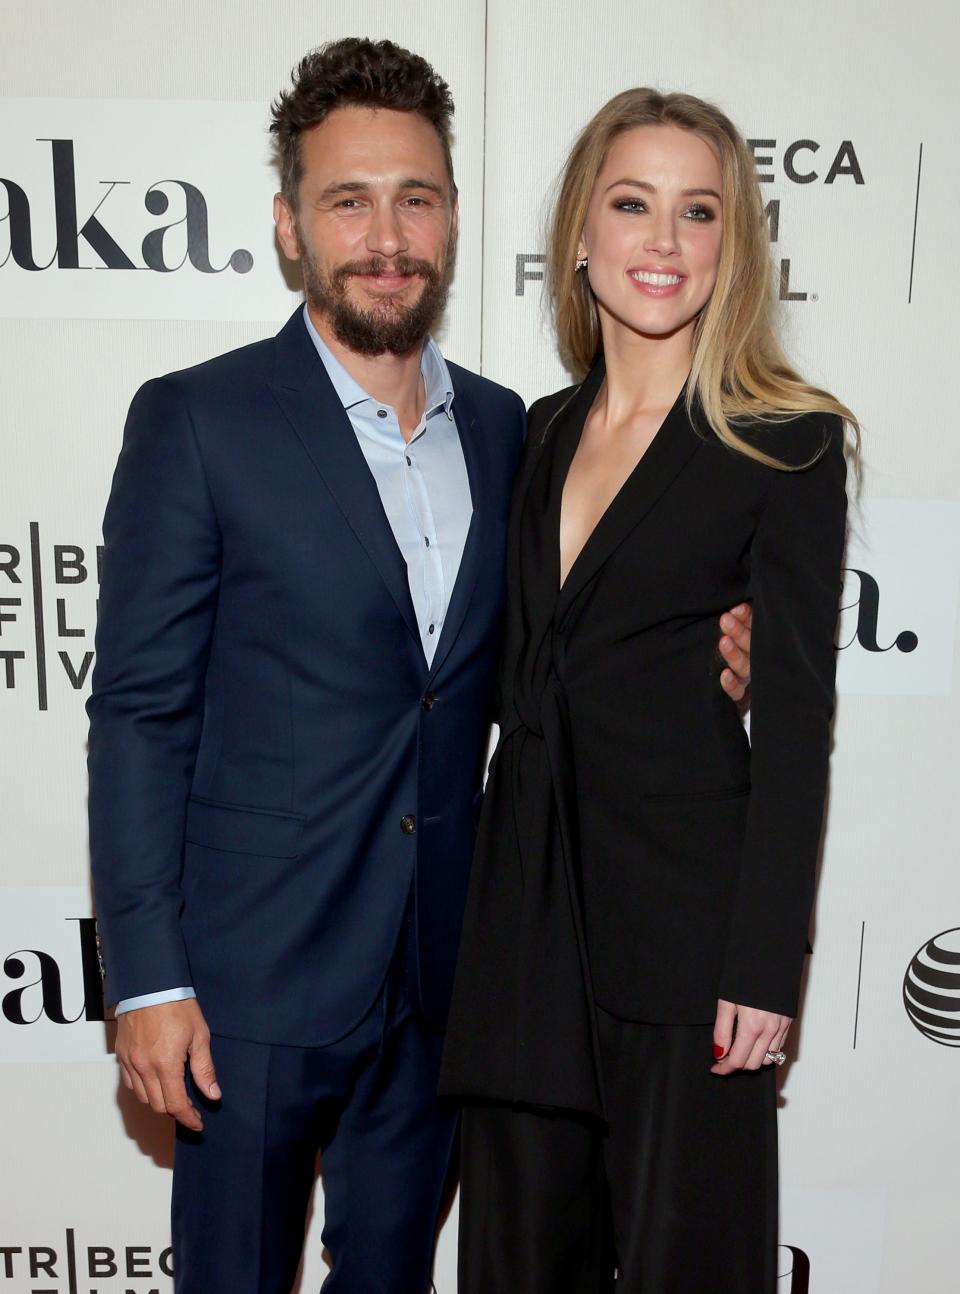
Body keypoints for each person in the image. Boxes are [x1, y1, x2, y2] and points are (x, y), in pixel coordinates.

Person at [87, 42, 753, 1294]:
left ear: (452, 213)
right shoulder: (198, 419)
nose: (387, 235)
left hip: (453, 982)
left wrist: (729, 637)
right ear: (290, 225)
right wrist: (151, 979)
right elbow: (137, 710)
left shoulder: (517, 429)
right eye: (349, 199)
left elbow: (570, 644)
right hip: (251, 992)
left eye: (417, 197)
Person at [439, 88, 856, 1294]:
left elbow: (796, 730)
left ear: (734, 247)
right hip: (522, 930)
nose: (662, 243)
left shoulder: (787, 442)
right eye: (632, 205)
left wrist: (766, 970)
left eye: (697, 212)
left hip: (689, 949)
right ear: (580, 232)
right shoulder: (532, 435)